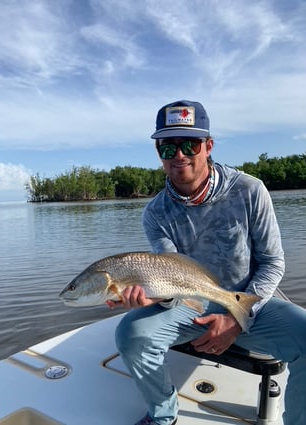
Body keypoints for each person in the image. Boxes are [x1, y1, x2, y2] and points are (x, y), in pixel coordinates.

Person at [108, 100, 306, 425]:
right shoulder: (155, 213)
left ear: (208, 146)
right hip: (191, 305)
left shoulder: (250, 190)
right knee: (132, 333)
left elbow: (272, 263)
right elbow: (169, 275)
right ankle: (163, 416)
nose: (179, 155)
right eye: (167, 147)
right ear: (158, 153)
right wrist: (150, 296)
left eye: (189, 143)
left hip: (249, 299)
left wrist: (236, 318)